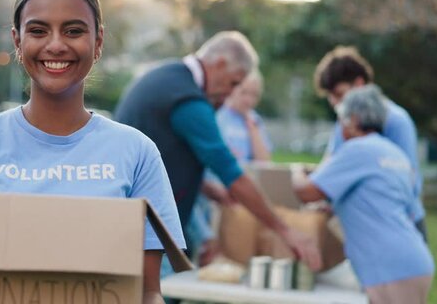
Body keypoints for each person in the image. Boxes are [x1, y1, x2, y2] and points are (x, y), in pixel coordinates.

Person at [0, 0, 185, 304]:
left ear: (97, 43)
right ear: (17, 41)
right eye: (38, 30)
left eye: (74, 31)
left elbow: (147, 294)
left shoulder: (138, 153)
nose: (56, 44)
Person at [114, 31, 321, 273]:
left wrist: (207, 188)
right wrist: (285, 230)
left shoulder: (167, 76)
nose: (231, 93)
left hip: (131, 221)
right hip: (146, 233)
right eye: (234, 82)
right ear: (220, 64)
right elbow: (230, 172)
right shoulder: (187, 100)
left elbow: (159, 155)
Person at [292, 85, 434, 304]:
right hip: (412, 261)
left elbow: (307, 192)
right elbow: (381, 202)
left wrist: (296, 172)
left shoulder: (357, 149)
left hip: (391, 266)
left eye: (341, 119)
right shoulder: (393, 153)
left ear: (353, 119)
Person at [314, 46, 427, 241]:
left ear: (359, 84)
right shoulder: (345, 123)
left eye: (339, 94)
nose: (334, 102)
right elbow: (331, 167)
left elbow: (410, 180)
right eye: (330, 97)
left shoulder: (396, 120)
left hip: (402, 225)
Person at [187, 70, 274, 266]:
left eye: (254, 95)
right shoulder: (217, 116)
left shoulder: (255, 121)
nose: (248, 100)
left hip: (238, 193)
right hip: (211, 191)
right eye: (244, 92)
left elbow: (264, 161)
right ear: (232, 89)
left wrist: (252, 128)